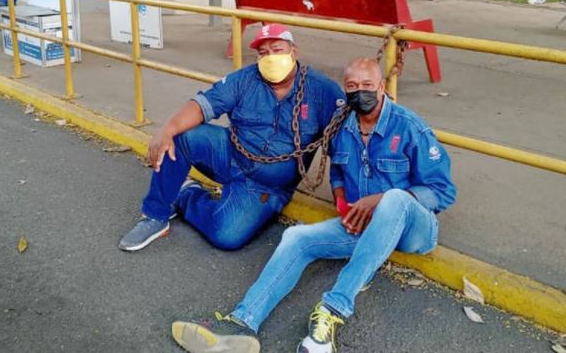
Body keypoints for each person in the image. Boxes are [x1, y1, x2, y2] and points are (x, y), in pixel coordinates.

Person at [170, 58, 457, 353]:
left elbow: (443, 192)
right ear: (345, 91)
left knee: (395, 199)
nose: (361, 92)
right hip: (365, 227)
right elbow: (336, 171)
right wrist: (343, 200)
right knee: (297, 238)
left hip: (413, 230)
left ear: (382, 86)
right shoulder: (343, 128)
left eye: (368, 86)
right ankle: (241, 323)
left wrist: (381, 201)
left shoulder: (409, 128)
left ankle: (333, 311)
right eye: (352, 87)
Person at [118, 24, 345, 252]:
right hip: (230, 155)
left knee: (226, 236)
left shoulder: (322, 90)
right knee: (182, 135)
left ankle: (187, 194)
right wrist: (166, 130)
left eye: (277, 49)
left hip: (266, 186)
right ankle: (155, 216)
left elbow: (343, 146)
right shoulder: (245, 79)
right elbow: (201, 105)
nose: (270, 57)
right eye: (263, 53)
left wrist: (343, 195)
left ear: (294, 52)